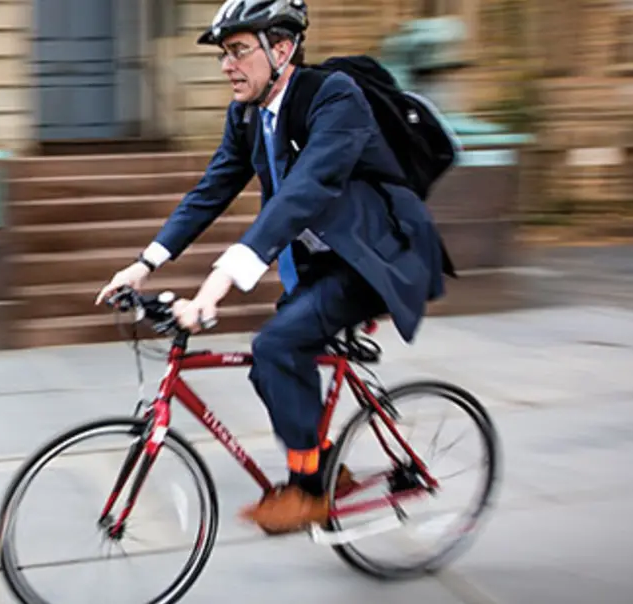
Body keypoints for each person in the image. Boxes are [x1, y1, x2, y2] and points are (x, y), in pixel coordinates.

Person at [95, 0, 446, 534]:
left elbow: (302, 195)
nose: (226, 66)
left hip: (373, 258)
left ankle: (307, 491)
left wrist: (217, 283)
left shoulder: (334, 99)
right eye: (224, 54)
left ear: (281, 49)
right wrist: (145, 263)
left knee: (278, 346)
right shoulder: (247, 114)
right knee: (271, 364)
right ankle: (328, 467)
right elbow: (211, 190)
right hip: (317, 264)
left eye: (238, 51)